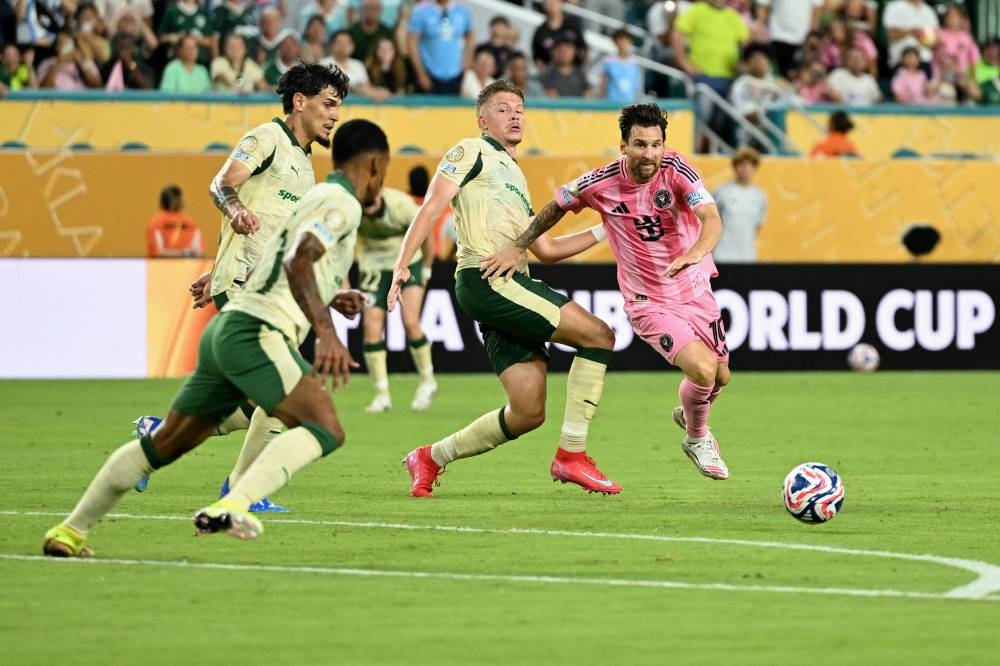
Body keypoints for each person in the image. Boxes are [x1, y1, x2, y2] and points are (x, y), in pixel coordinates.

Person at [41, 118, 389, 557]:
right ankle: (234, 501)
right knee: (325, 426)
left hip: (227, 329)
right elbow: (299, 261)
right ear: (376, 164)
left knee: (163, 444)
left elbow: (281, 259)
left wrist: (333, 296)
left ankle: (71, 530)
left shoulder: (310, 197)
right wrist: (327, 333)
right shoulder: (342, 202)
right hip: (259, 331)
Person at [134, 63, 350, 513]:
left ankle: (158, 434)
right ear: (299, 102)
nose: (335, 115)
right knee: (283, 392)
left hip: (267, 290)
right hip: (246, 289)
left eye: (339, 107)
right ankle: (241, 490)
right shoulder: (267, 138)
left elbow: (273, 230)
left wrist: (215, 266)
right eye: (329, 104)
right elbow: (223, 184)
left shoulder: (305, 164)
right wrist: (232, 212)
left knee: (250, 405)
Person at [387, 80, 619, 497]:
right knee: (599, 335)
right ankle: (572, 456)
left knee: (528, 412)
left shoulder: (514, 174)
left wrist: (608, 229)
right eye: (503, 108)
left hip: (510, 285)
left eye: (520, 109)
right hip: (486, 279)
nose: (515, 115)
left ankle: (429, 457)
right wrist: (402, 264)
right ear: (482, 120)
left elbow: (545, 248)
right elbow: (432, 205)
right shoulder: (470, 150)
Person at [481, 102, 731, 482]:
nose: (649, 154)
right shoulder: (600, 182)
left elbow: (711, 219)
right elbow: (555, 207)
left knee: (720, 378)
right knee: (702, 369)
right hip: (649, 301)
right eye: (640, 144)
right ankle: (697, 438)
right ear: (623, 145)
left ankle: (691, 412)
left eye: (656, 144)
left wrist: (694, 254)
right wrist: (520, 245)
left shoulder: (677, 169)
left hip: (695, 290)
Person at [357, 186, 437, 413]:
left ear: (380, 195)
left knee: (410, 323)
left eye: (372, 207)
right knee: (371, 328)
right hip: (373, 265)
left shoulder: (400, 205)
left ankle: (428, 381)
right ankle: (382, 395)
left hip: (408, 262)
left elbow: (426, 231)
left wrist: (428, 267)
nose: (369, 212)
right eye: (365, 208)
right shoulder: (354, 207)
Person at [711, 147, 767, 263]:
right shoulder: (721, 192)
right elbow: (710, 223)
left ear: (755, 168)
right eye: (742, 164)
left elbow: (757, 226)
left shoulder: (760, 196)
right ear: (735, 167)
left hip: (748, 257)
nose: (746, 169)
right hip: (722, 257)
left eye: (750, 165)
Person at [406, 0, 473, 94]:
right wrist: (420, 73)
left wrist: (466, 64)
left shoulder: (463, 11)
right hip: (429, 74)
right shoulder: (421, 12)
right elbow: (411, 42)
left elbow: (470, 37)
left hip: (455, 75)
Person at [146, 185, 204, 258]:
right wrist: (185, 253)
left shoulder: (155, 221)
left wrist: (180, 253)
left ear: (161, 202)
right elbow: (199, 251)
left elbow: (158, 252)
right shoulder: (191, 222)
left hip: (161, 267)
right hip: (189, 267)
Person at [596, 27, 642, 103]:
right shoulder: (608, 61)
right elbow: (602, 85)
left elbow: (637, 88)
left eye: (626, 39)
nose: (623, 42)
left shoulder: (635, 63)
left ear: (630, 41)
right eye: (620, 39)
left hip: (629, 106)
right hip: (611, 105)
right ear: (615, 42)